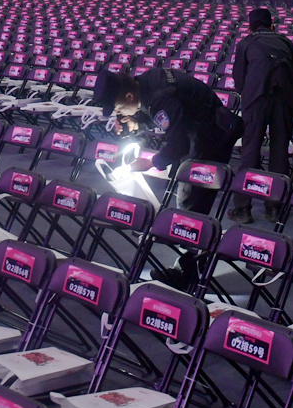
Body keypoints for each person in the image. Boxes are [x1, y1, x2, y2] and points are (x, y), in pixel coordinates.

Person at [94, 67, 241, 289]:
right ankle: (192, 263)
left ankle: (189, 272)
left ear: (129, 96)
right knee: (188, 200)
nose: (118, 113)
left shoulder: (160, 97)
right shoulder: (146, 83)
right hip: (200, 132)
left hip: (211, 137)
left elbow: (178, 143)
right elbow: (162, 115)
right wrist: (136, 121)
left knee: (190, 202)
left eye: (117, 107)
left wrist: (152, 162)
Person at [229, 8, 293, 223]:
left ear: (250, 27)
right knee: (279, 152)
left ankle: (243, 208)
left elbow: (239, 80)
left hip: (256, 101)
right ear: (272, 26)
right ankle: (274, 207)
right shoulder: (285, 42)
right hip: (283, 101)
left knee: (250, 153)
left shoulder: (245, 43)